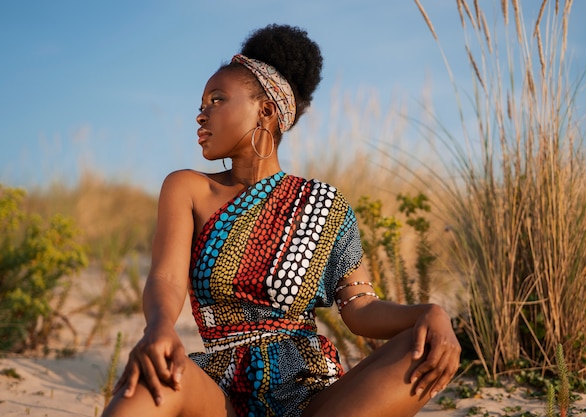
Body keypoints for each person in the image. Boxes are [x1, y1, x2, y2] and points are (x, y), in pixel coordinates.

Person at [102, 24, 461, 417]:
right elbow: (166, 279)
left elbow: (360, 309)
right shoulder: (187, 189)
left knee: (423, 344)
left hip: (311, 394)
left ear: (266, 110)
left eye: (217, 100)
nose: (201, 115)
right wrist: (159, 328)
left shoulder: (324, 205)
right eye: (202, 103)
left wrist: (429, 313)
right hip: (221, 393)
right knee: (152, 380)